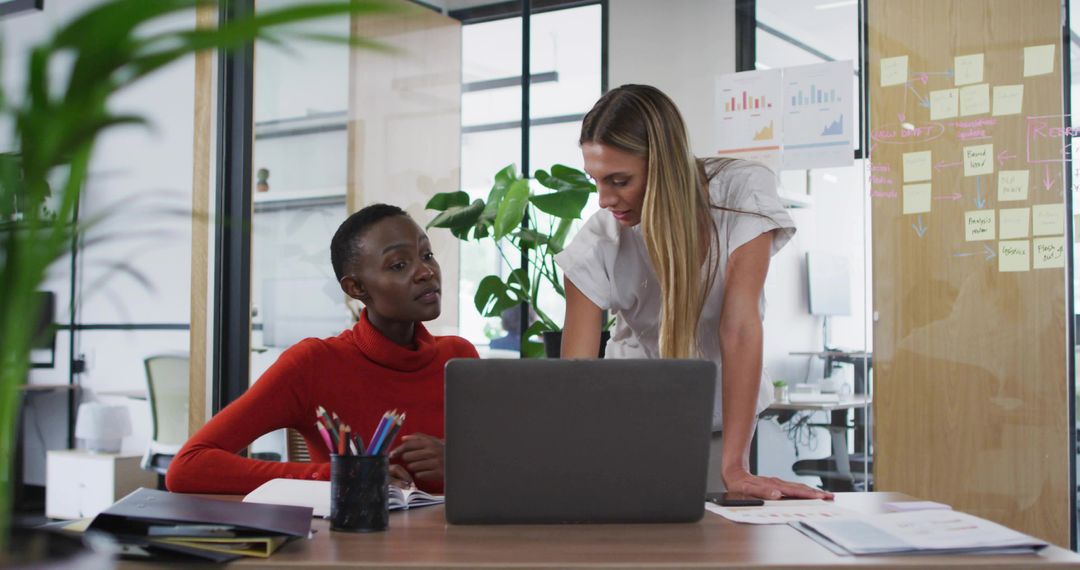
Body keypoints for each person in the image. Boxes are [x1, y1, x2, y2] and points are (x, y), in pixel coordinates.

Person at [555, 84, 831, 500]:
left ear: (663, 165)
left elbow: (738, 327)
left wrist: (735, 466)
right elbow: (574, 378)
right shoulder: (597, 242)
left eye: (620, 180)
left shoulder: (741, 192)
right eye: (596, 180)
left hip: (723, 421)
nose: (604, 199)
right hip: (629, 423)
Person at [167, 204, 477, 495]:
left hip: (458, 546)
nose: (426, 272)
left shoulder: (459, 357)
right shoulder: (313, 364)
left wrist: (461, 462)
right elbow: (188, 467)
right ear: (356, 288)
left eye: (427, 254)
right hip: (355, 546)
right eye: (398, 264)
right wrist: (340, 476)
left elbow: (509, 462)